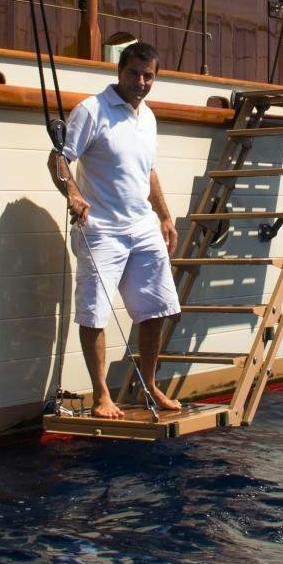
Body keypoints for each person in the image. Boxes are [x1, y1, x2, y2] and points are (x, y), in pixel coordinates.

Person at [47, 41, 182, 419]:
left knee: (157, 308)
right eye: (134, 73)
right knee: (95, 314)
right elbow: (58, 159)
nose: (140, 82)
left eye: (148, 76)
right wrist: (73, 191)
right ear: (119, 71)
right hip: (101, 229)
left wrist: (165, 216)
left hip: (142, 227)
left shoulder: (148, 117)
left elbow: (148, 172)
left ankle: (149, 386)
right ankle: (102, 395)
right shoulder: (92, 110)